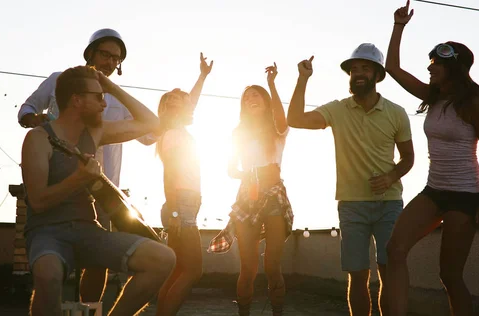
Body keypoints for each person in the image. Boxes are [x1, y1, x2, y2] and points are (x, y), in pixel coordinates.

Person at [21, 65, 175, 316]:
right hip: (47, 232)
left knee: (163, 259)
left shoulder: (95, 132)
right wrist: (78, 178)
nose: (105, 104)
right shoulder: (38, 139)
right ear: (77, 100)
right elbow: (38, 202)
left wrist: (111, 85)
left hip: (87, 230)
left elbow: (151, 124)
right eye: (99, 96)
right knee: (48, 276)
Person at [385, 2, 479, 315]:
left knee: (449, 275)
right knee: (394, 250)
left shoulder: (471, 103)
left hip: (465, 196)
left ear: (455, 68)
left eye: (436, 63)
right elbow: (392, 69)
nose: (430, 67)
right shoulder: (432, 97)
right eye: (431, 62)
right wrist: (399, 26)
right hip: (434, 191)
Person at [287, 44, 414, 316]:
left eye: (365, 68)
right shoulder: (337, 109)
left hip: (389, 204)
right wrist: (302, 79)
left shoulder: (397, 113)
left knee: (388, 272)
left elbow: (408, 159)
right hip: (351, 205)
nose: (358, 73)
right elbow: (295, 119)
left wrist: (391, 175)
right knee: (357, 276)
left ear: (377, 75)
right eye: (353, 69)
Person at [208, 63, 293, 316]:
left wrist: (272, 84)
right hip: (247, 195)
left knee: (273, 265)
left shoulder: (277, 130)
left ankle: (277, 311)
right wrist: (248, 176)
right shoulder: (239, 133)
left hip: (274, 194)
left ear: (265, 102)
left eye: (255, 95)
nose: (250, 99)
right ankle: (243, 312)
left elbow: (280, 115)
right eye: (246, 98)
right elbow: (230, 169)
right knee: (248, 268)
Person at [155, 53, 213, 316]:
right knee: (193, 270)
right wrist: (176, 212)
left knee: (178, 269)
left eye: (182, 97)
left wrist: (202, 76)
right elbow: (170, 174)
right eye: (173, 98)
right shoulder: (172, 134)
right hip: (181, 205)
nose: (182, 100)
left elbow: (193, 101)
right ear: (167, 108)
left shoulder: (177, 131)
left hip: (185, 204)